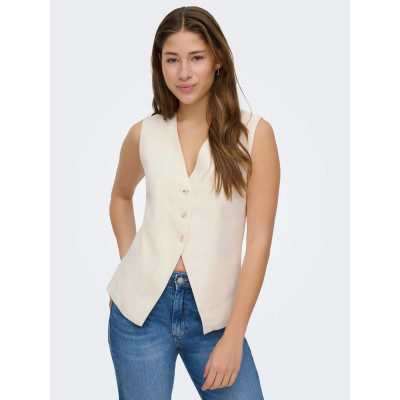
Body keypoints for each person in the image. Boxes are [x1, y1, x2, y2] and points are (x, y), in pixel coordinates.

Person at [106, 6, 280, 400]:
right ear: (160, 64)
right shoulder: (143, 134)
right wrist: (130, 265)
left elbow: (259, 242)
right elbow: (120, 196)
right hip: (139, 317)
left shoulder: (255, 135)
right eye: (172, 60)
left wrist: (234, 336)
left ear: (218, 59)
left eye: (196, 58)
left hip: (216, 319)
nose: (184, 73)